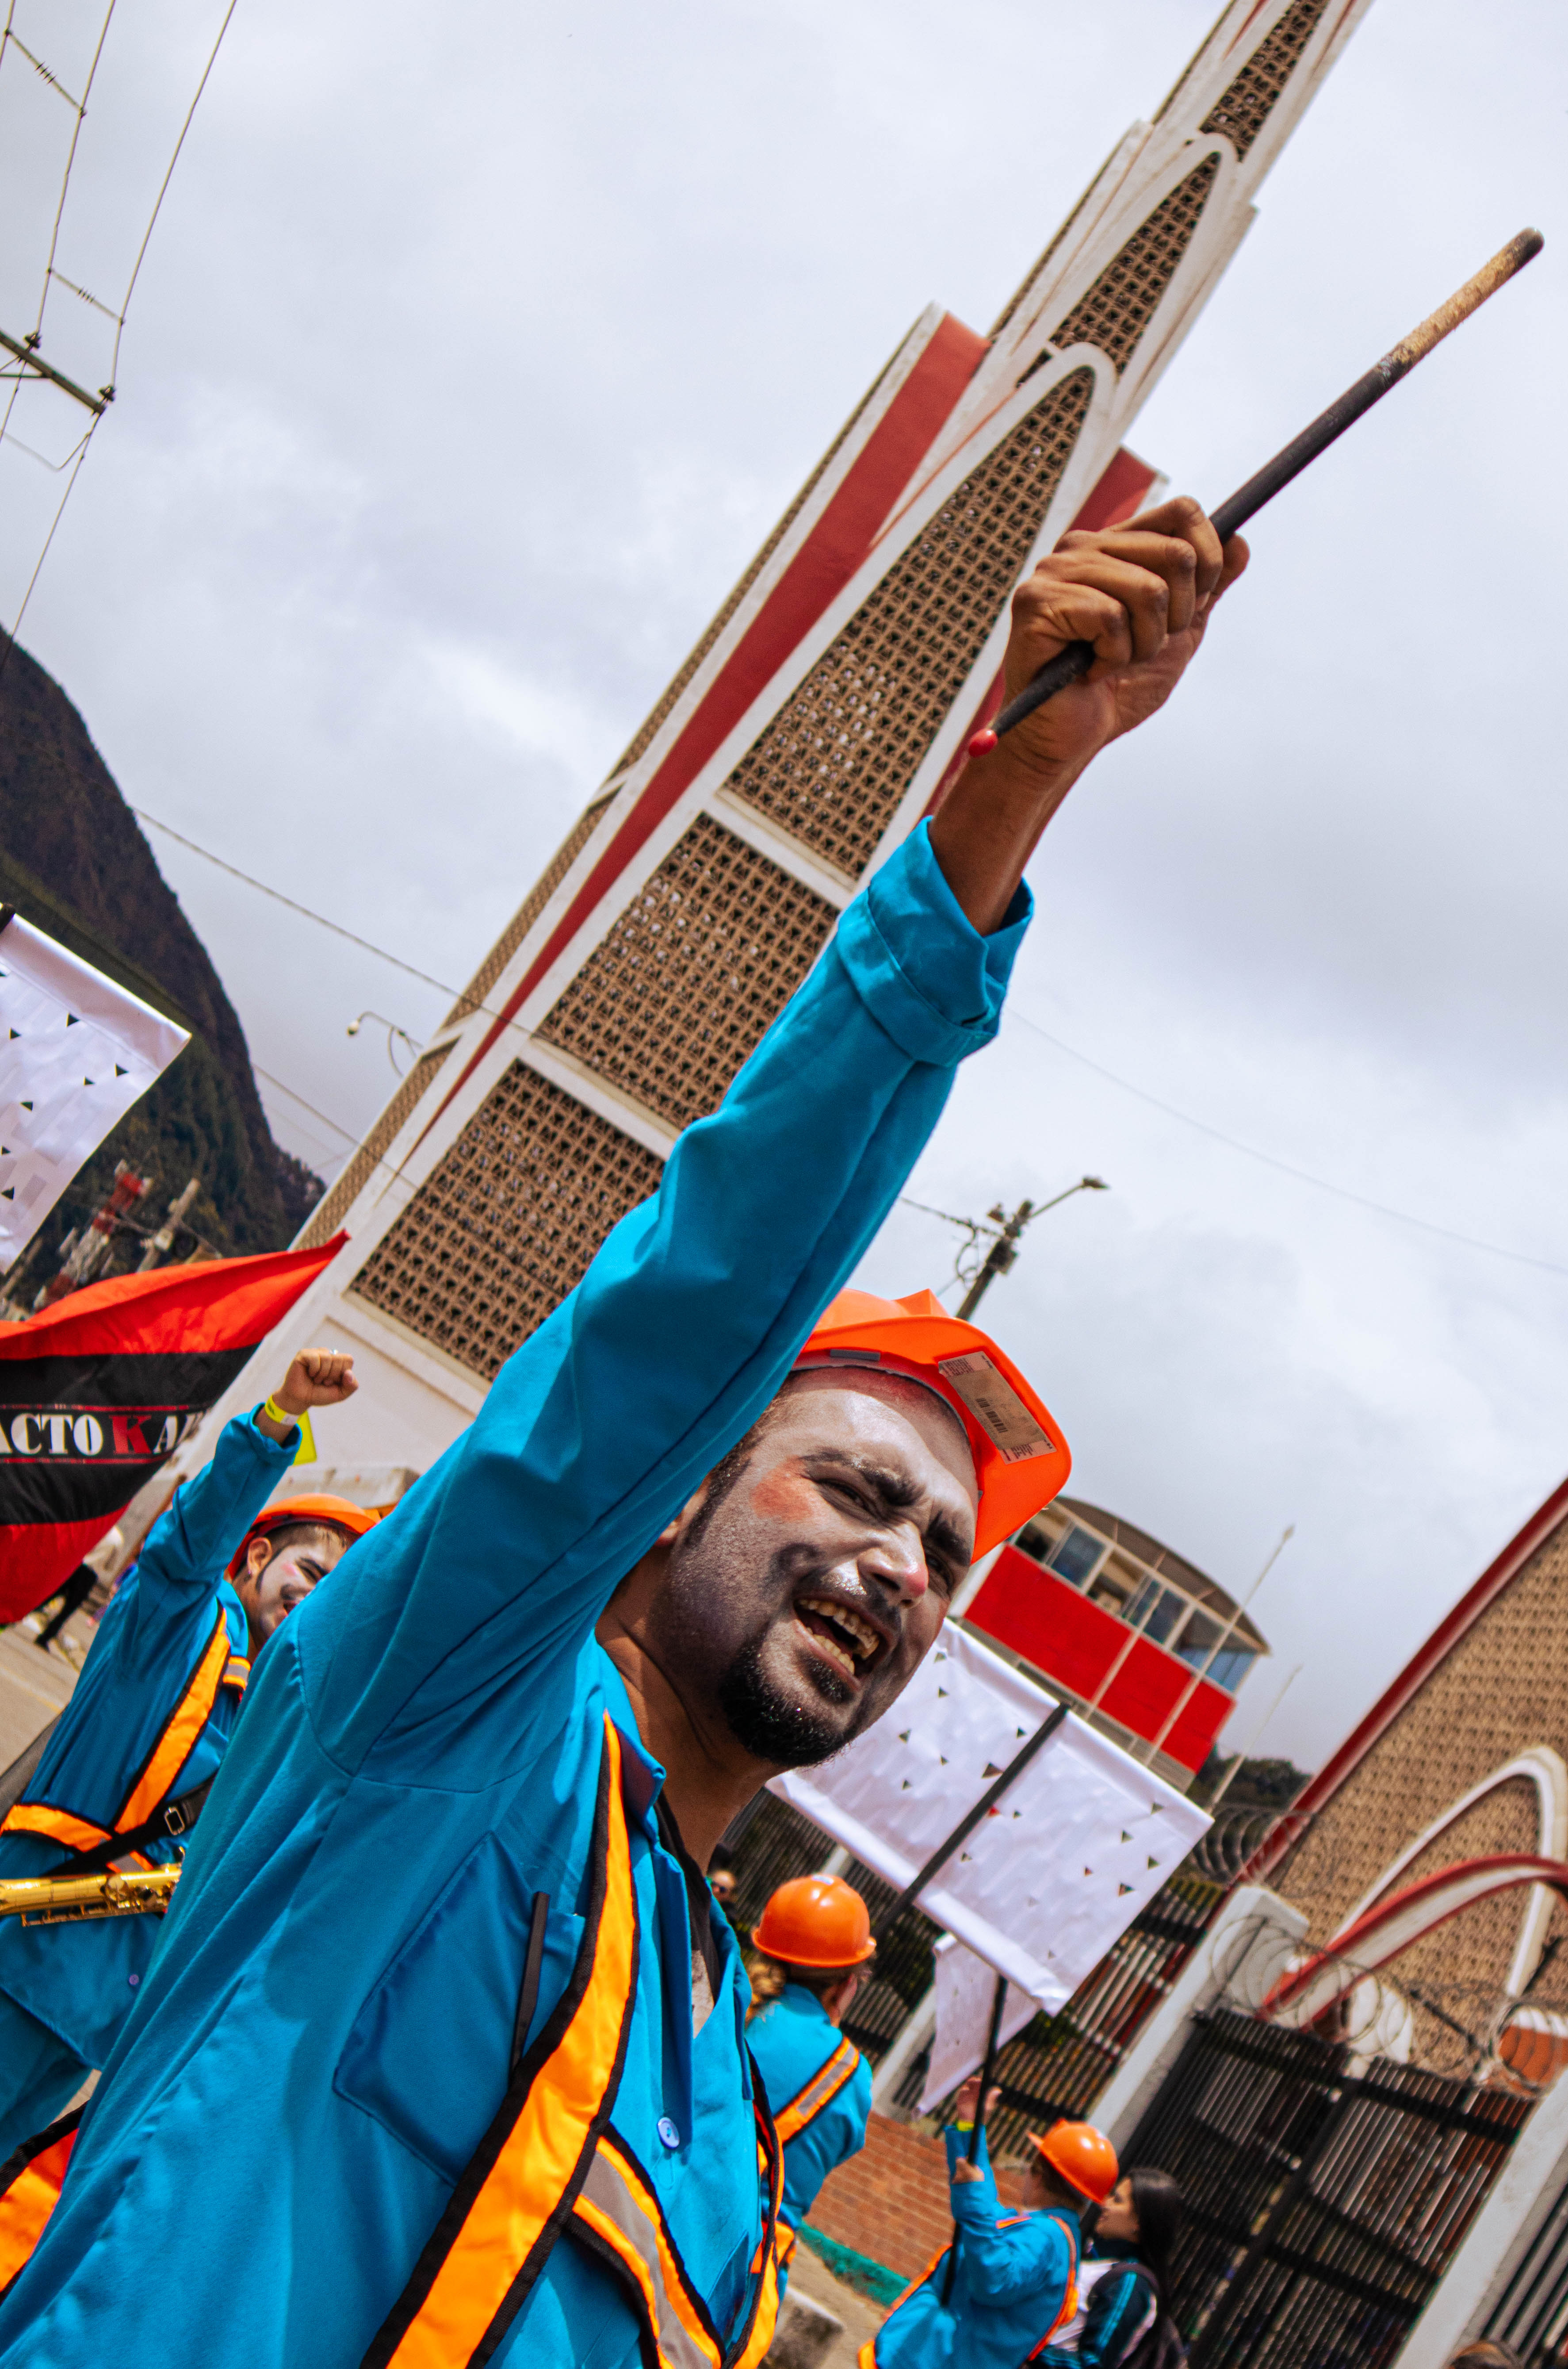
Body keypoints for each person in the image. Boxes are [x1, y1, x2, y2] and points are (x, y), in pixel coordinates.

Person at [0, 498, 1247, 2369]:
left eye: (945, 1556)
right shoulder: (447, 1731)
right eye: (856, 1483)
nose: (906, 1566)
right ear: (660, 1507)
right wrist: (993, 829)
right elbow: (693, 1297)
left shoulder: (722, 2082)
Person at [0, 1350, 367, 2156]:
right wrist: (280, 1417)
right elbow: (183, 1549)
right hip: (20, 1952)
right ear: (257, 1557)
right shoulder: (174, 1629)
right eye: (310, 1566)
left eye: (336, 1592)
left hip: (94, 2031)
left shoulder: (289, 1730)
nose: (315, 1593)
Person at [868, 2079, 1119, 2369]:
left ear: (1038, 2174)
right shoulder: (1053, 2234)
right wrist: (970, 2130)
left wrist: (972, 2199)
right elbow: (987, 2214)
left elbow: (995, 2279)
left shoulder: (1047, 2237)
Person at [746, 1875, 877, 2286]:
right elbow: (840, 2147)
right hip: (745, 2271)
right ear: (848, 1984)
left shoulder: (720, 2000)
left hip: (649, 2215)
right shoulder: (849, 2074)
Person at [1048, 2167, 1183, 2369]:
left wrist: (1031, 2350)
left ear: (1139, 2221)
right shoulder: (1105, 2263)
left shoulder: (1132, 2283)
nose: (1104, 2204)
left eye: (1117, 2200)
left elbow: (1094, 2364)